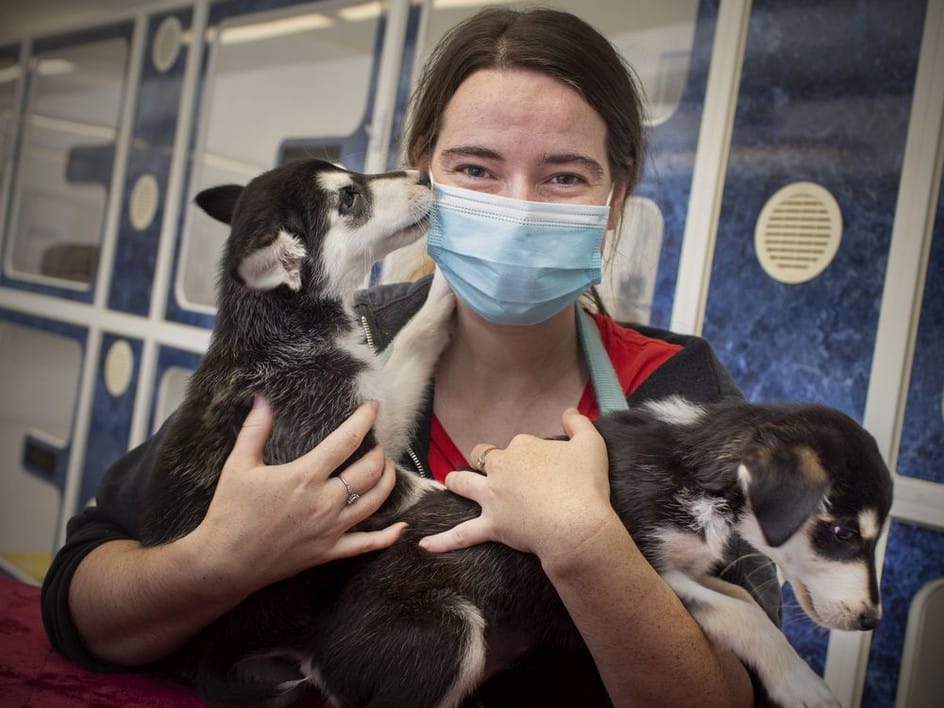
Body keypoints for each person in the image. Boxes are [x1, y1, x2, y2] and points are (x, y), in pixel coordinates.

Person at [42, 7, 780, 706]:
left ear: (614, 200)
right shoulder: (320, 352)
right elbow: (80, 595)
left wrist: (587, 546)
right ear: (421, 174)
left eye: (563, 176)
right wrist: (214, 563)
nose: (517, 208)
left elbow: (745, 687)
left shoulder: (681, 393)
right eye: (476, 170)